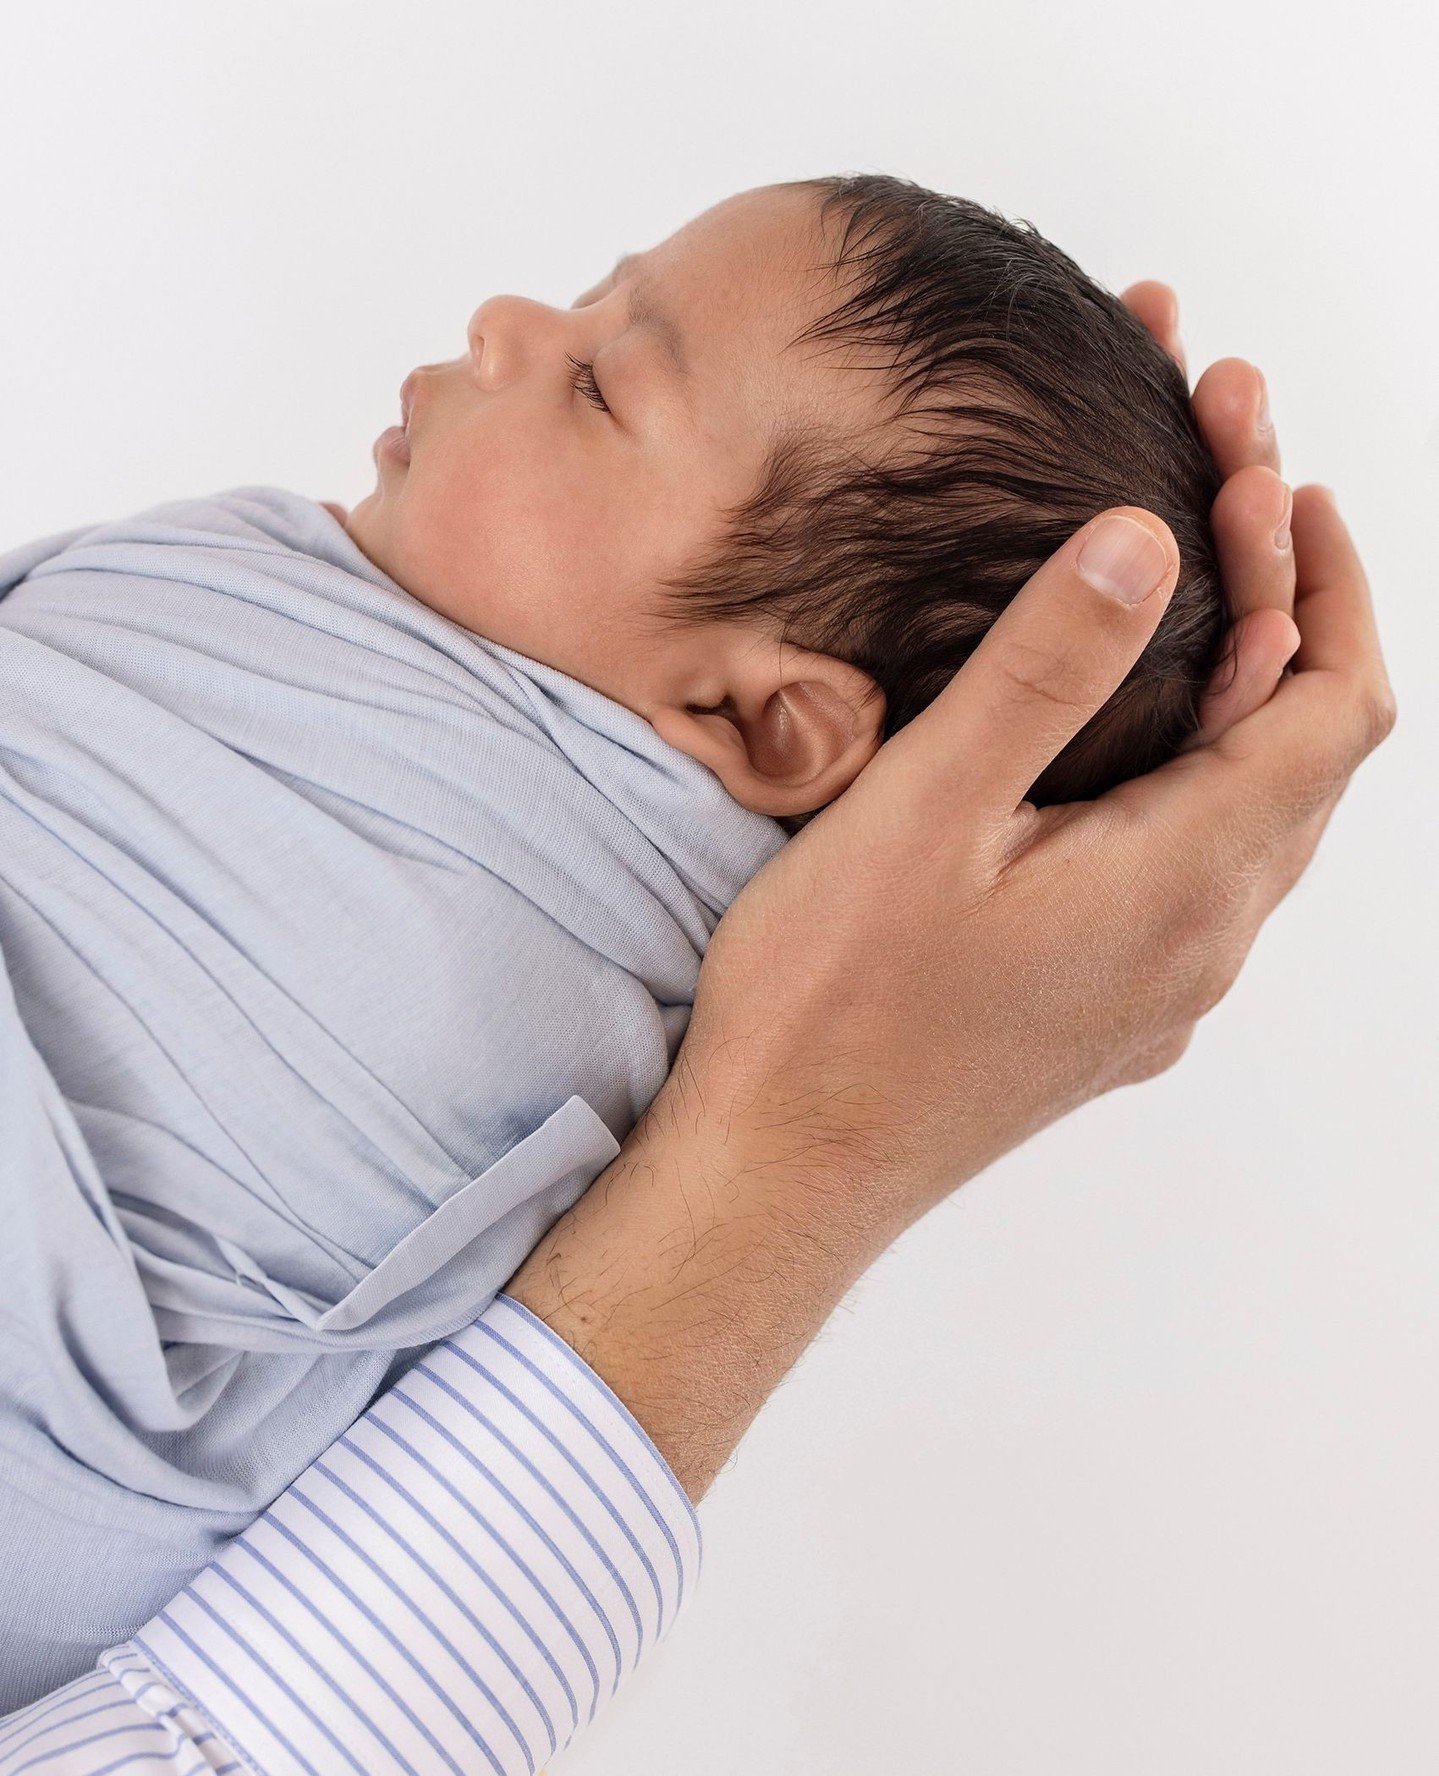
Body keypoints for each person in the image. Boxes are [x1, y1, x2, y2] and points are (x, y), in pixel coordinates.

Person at [0, 278, 1397, 1770]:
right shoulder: (263, 592)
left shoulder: (537, 947)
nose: (504, 324)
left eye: (604, 382)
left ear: (765, 724)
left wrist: (797, 1166)